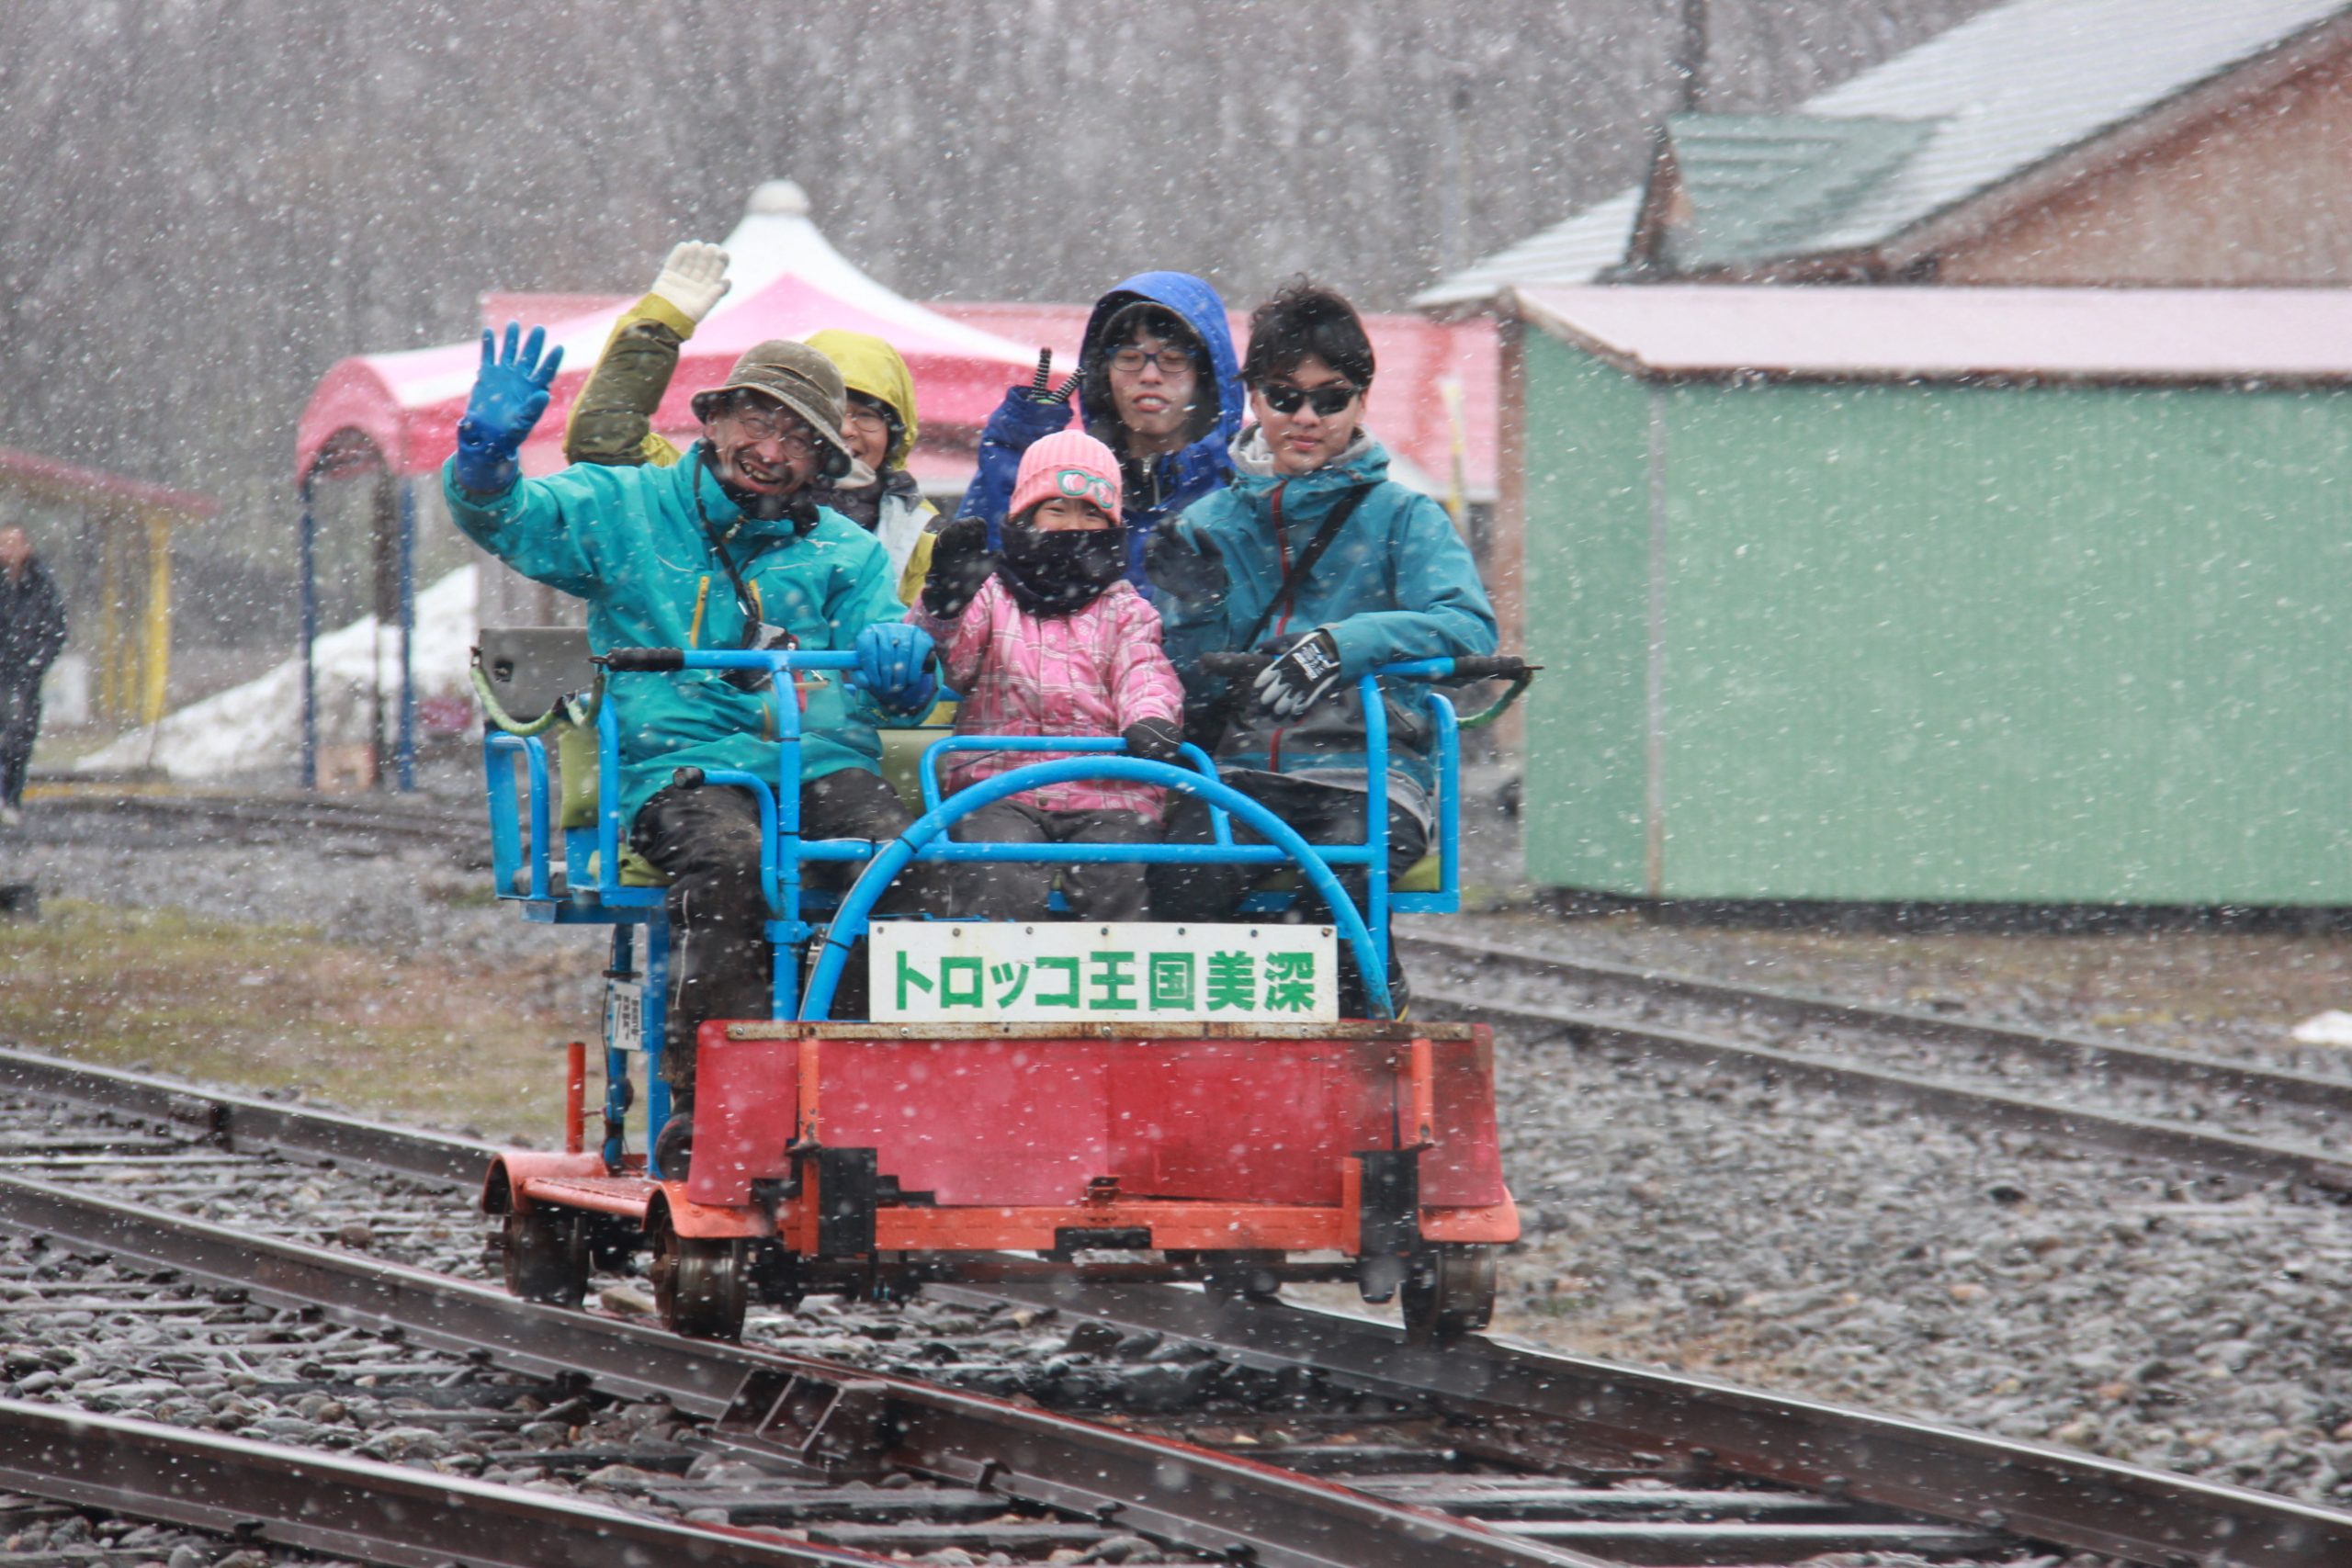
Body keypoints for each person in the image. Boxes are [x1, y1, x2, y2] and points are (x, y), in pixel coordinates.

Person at [444, 324, 944, 1141]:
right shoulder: (626, 507)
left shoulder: (847, 554)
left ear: (823, 462)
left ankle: (851, 1087)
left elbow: (892, 685)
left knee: (898, 859)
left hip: (815, 762)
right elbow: (510, 518)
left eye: (798, 438)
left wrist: (904, 664)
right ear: (712, 420)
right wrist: (486, 458)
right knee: (728, 859)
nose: (771, 451)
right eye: (758, 420)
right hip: (681, 765)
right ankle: (716, 1102)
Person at [1144, 283, 1498, 1015]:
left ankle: (1363, 1035)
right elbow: (1189, 685)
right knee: (1182, 880)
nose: (1305, 417)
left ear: (1361, 403)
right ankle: (1214, 1054)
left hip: (1370, 773)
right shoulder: (1207, 525)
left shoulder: (1404, 518)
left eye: (1330, 399)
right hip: (1242, 772)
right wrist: (1194, 612)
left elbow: (1468, 625)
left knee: (1340, 883)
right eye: (1285, 396)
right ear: (1254, 398)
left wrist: (1342, 645)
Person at [908, 432, 1183, 922]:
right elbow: (954, 663)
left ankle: (1115, 966)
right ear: (1026, 517)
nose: (1073, 527)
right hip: (1000, 783)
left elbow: (1143, 669)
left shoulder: (1125, 609)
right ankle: (996, 964)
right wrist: (945, 604)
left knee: (1117, 871)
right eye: (1057, 510)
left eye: (1091, 514)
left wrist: (1151, 719)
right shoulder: (992, 594)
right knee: (997, 867)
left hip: (1104, 786)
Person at [563, 243, 939, 596]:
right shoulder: (701, 487)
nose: (845, 429)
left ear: (895, 437)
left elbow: (932, 636)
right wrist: (659, 326)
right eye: (831, 414)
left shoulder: (922, 541)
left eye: (867, 416)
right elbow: (604, 442)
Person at [953, 273, 1244, 585]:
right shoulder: (1065, 479)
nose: (1149, 375)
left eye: (1173, 359)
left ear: (1206, 376)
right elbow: (978, 592)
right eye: (1129, 358)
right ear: (1105, 374)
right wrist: (1021, 455)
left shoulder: (1242, 494)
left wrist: (1208, 606)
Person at [0, 526, 66, 827]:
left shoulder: (41, 584)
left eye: (12, 543)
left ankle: (11, 799)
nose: (7, 550)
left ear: (26, 547)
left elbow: (55, 629)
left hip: (25, 677)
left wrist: (35, 664)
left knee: (19, 738)